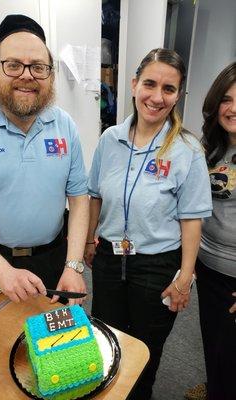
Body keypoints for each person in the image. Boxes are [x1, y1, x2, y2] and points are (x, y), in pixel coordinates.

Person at [84, 48, 213, 400]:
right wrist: (85, 241)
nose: (157, 97)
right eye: (150, 84)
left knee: (144, 352)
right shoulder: (109, 140)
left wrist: (185, 276)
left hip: (157, 266)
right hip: (109, 261)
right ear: (134, 84)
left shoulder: (187, 150)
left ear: (178, 95)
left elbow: (191, 219)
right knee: (107, 340)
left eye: (168, 89)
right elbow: (94, 194)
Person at [0, 14, 89, 305]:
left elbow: (79, 198)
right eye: (13, 65)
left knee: (54, 345)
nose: (27, 75)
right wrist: (3, 271)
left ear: (50, 75)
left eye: (38, 67)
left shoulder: (65, 126)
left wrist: (73, 265)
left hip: (54, 259)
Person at [188, 62, 236, 400]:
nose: (233, 109)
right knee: (214, 343)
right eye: (227, 99)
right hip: (208, 268)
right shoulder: (209, 147)